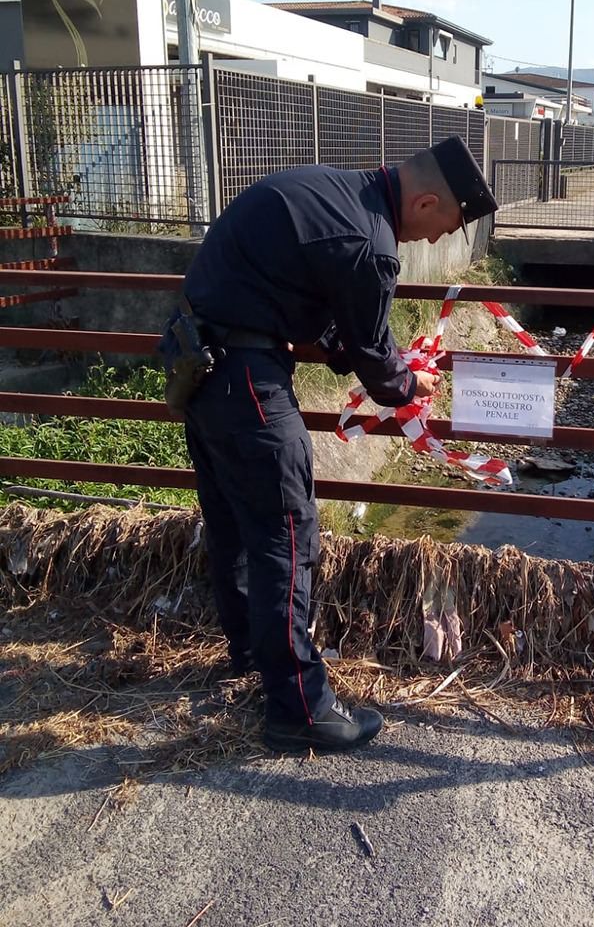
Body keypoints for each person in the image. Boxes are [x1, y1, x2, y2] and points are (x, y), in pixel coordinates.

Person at [160, 136, 497, 755]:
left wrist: (369, 359)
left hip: (202, 368)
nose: (431, 243)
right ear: (425, 203)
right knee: (287, 536)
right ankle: (299, 708)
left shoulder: (331, 191)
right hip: (247, 381)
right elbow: (372, 355)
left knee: (237, 524)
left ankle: (248, 657)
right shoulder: (370, 243)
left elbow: (322, 323)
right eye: (441, 229)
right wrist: (407, 380)